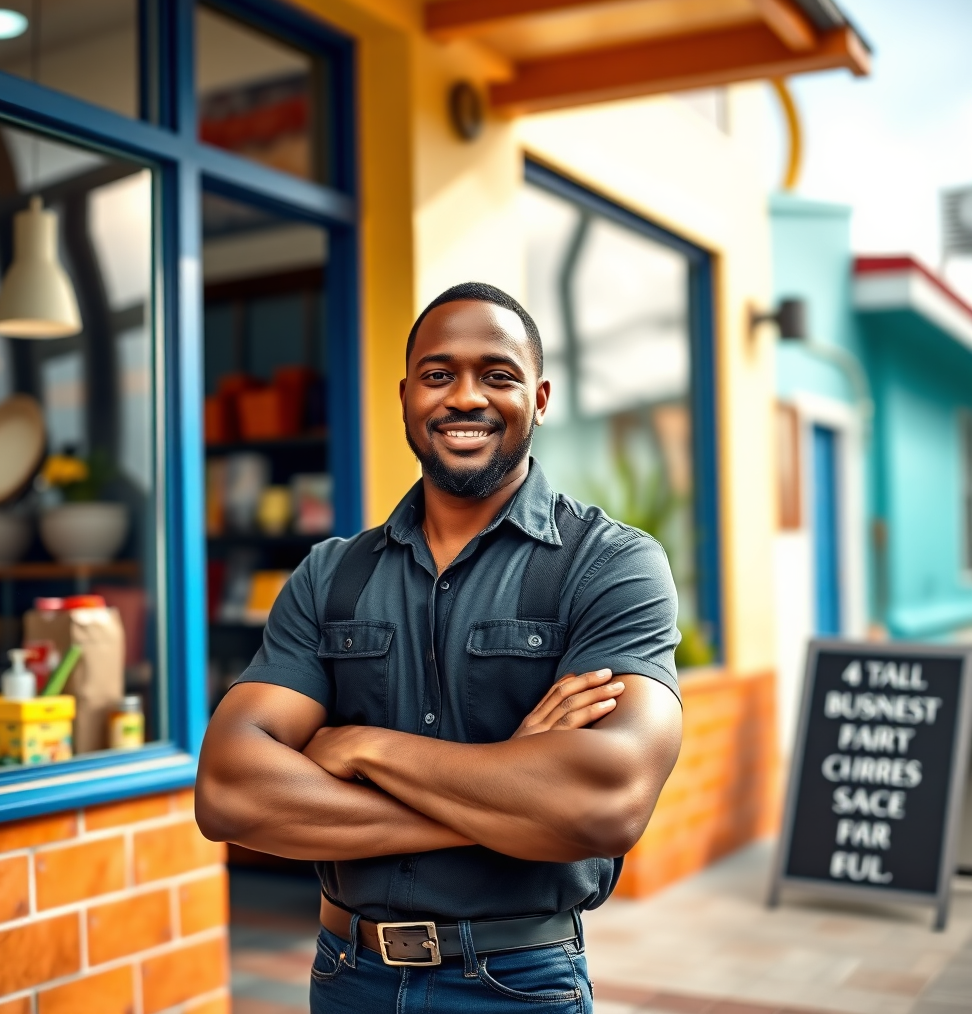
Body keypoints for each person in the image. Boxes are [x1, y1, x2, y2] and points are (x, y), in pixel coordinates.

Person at [196, 282, 683, 1013]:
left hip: (516, 984)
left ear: (541, 397)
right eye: (438, 374)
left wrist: (362, 748)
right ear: (404, 397)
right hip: (346, 978)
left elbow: (604, 803)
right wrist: (514, 795)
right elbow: (230, 791)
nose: (465, 397)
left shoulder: (609, 564)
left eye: (497, 374)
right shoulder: (330, 574)